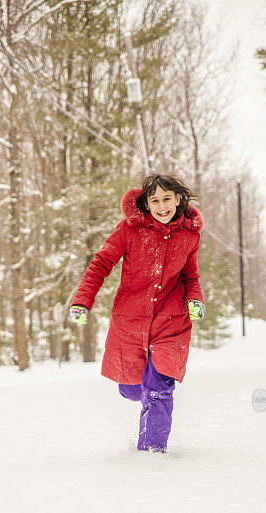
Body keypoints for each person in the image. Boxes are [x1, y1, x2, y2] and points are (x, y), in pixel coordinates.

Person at [69, 173, 205, 453]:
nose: (162, 206)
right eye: (155, 200)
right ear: (146, 203)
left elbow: (191, 277)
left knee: (159, 388)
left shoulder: (189, 236)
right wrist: (82, 301)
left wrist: (195, 299)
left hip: (172, 321)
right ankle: (144, 397)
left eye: (167, 199)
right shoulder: (130, 230)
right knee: (132, 388)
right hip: (131, 320)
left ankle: (151, 454)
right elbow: (101, 263)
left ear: (178, 199)